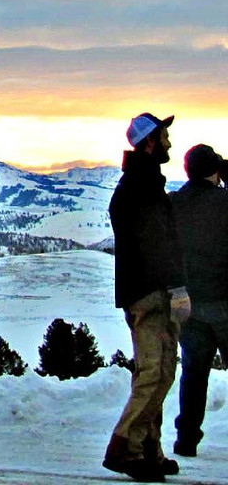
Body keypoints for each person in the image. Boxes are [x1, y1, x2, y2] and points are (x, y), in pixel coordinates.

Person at [103, 113, 190, 483]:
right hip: (151, 292)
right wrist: (175, 286)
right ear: (150, 142)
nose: (169, 142)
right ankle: (126, 448)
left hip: (147, 289)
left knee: (159, 371)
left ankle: (149, 448)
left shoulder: (141, 182)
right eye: (164, 136)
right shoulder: (142, 185)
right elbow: (157, 243)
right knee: (156, 372)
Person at [170, 144, 228, 459]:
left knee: (193, 373)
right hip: (224, 299)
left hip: (189, 302)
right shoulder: (225, 201)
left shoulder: (175, 201)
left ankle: (186, 438)